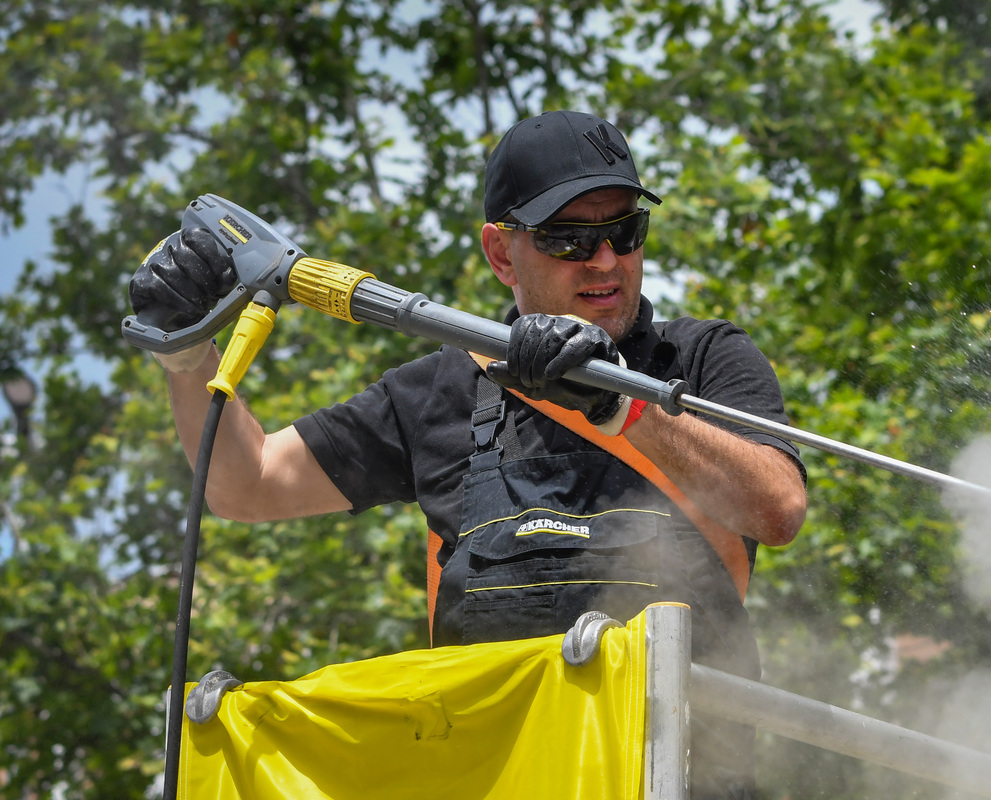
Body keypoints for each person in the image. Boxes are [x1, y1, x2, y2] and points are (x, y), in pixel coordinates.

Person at [129, 109, 808, 798]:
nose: (605, 260)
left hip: (679, 780)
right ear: (500, 252)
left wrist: (619, 403)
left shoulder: (699, 360)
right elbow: (248, 485)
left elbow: (777, 507)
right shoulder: (443, 392)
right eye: (568, 239)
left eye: (623, 231)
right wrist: (188, 356)